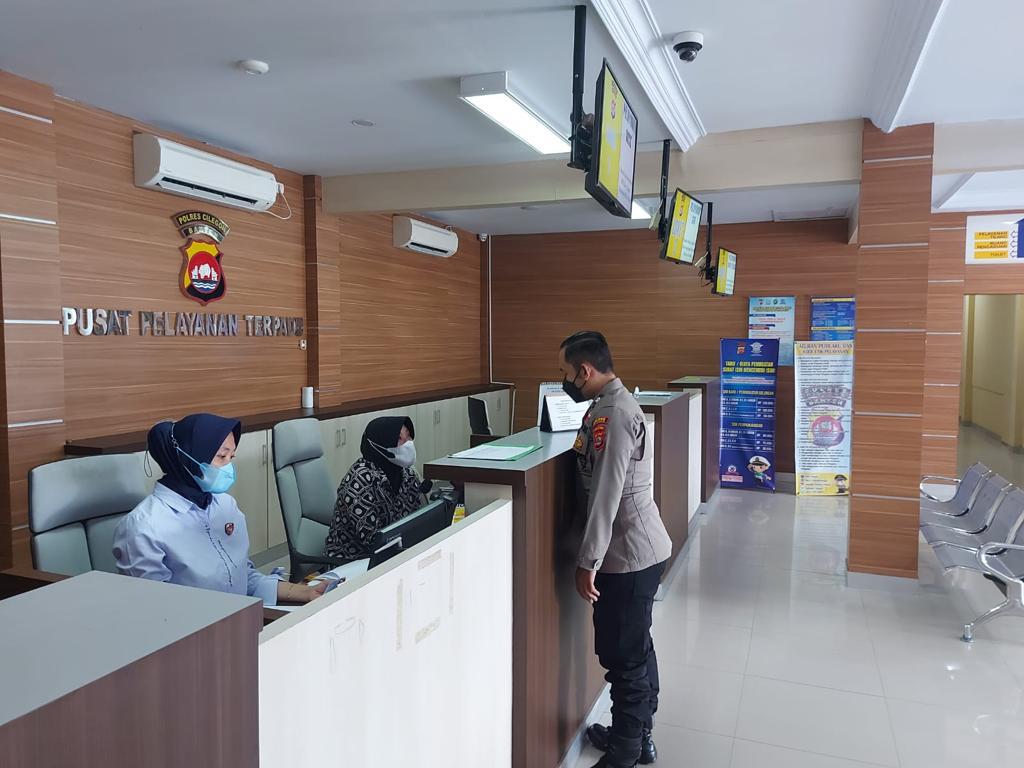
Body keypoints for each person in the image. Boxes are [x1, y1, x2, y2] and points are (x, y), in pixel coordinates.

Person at [560, 331, 673, 768]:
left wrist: (587, 561)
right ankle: (638, 734)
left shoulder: (613, 413)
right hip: (636, 550)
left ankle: (625, 751)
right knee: (636, 649)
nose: (566, 380)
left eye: (567, 372)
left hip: (627, 555)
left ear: (585, 370)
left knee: (625, 658)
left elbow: (606, 494)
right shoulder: (609, 405)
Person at [113, 414, 324, 606]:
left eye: (231, 457)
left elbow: (242, 577)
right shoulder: (144, 526)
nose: (228, 468)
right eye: (221, 457)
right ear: (187, 458)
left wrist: (305, 592)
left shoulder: (224, 505)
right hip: (194, 630)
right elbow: (155, 610)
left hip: (236, 617)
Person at [325, 416, 425, 559]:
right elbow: (373, 540)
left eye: (408, 436)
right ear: (380, 444)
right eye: (399, 438)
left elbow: (417, 520)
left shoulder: (407, 474)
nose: (408, 443)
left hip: (395, 554)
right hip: (353, 560)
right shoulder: (359, 480)